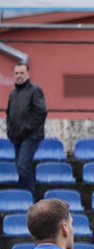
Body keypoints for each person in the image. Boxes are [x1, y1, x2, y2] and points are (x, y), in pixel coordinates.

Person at [6, 61, 47, 196]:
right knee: (20, 166)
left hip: (31, 136)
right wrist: (10, 130)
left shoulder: (35, 90)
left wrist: (27, 128)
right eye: (16, 73)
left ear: (28, 74)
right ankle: (24, 194)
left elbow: (41, 112)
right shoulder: (12, 93)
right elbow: (9, 113)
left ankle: (29, 195)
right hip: (17, 136)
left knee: (23, 165)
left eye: (22, 73)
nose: (19, 76)